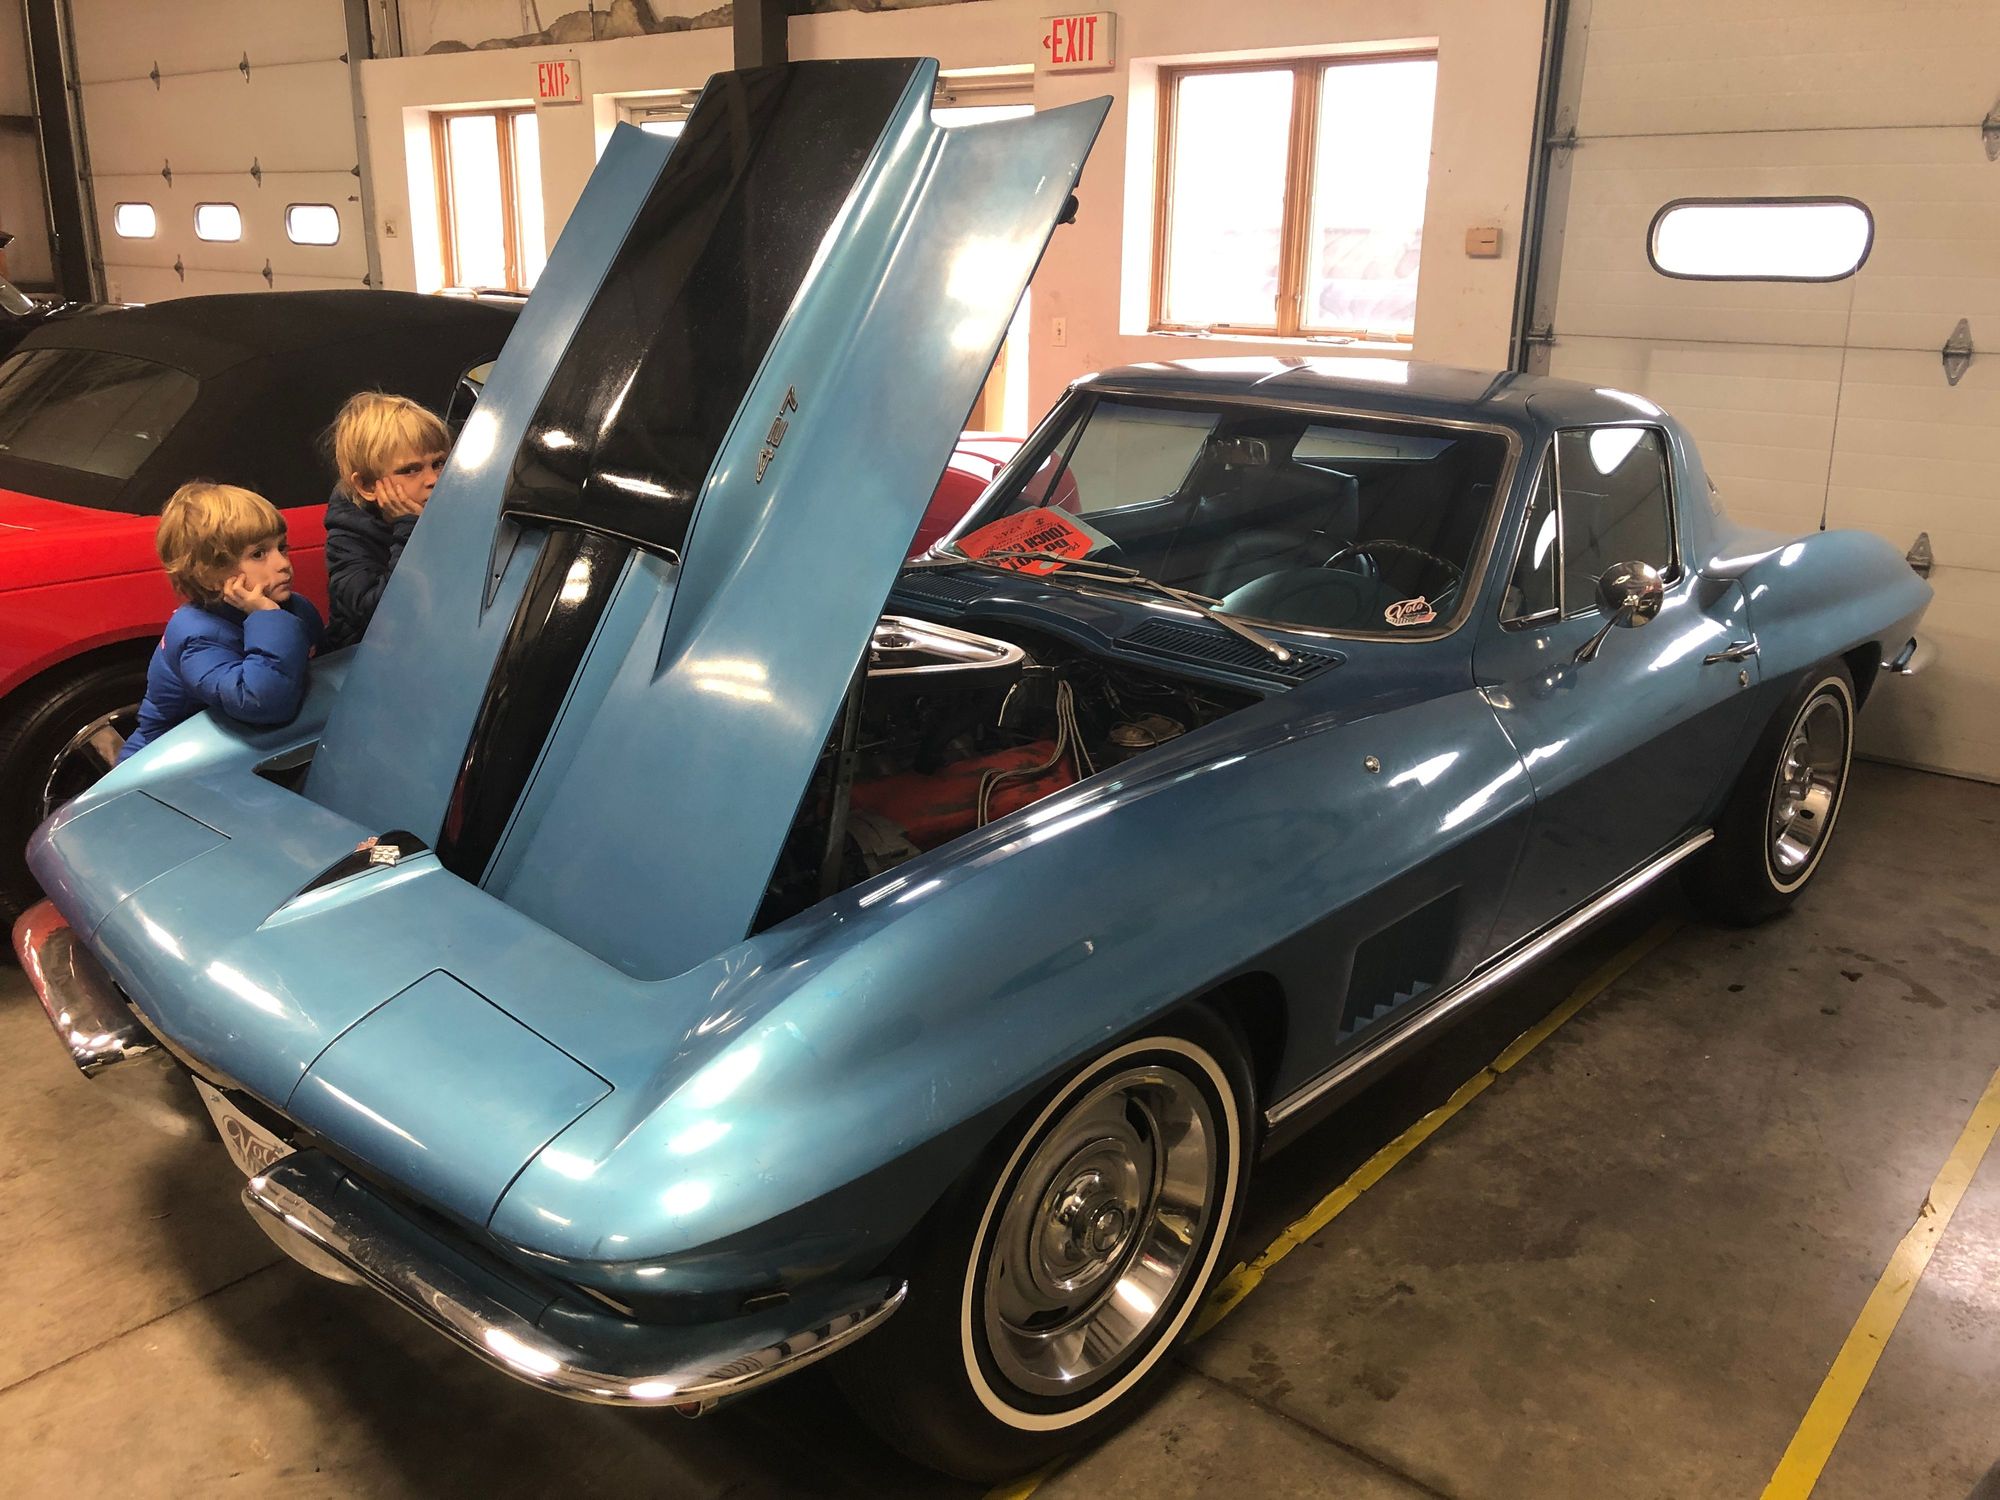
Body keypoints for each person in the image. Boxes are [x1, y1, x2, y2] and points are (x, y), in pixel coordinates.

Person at [118, 482, 324, 762]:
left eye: (282, 547)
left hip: (238, 751)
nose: (283, 564)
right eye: (258, 554)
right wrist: (267, 618)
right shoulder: (197, 638)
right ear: (210, 576)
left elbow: (325, 664)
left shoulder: (291, 608)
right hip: (168, 763)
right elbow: (263, 704)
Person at [324, 391, 450, 649]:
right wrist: (408, 530)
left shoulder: (451, 510)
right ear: (367, 486)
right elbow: (383, 614)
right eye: (411, 470)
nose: (433, 480)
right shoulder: (348, 536)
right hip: (368, 657)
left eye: (439, 463)